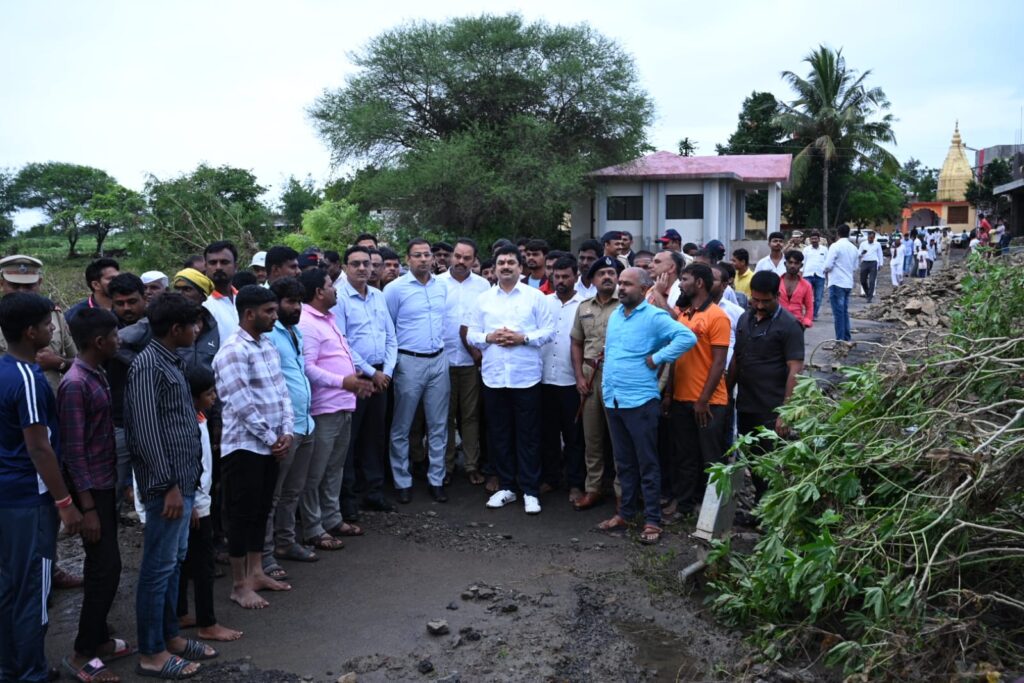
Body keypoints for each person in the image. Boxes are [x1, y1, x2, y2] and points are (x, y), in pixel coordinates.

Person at [124, 292, 212, 678]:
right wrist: (167, 486)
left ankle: (170, 636)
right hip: (167, 488)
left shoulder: (171, 360)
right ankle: (151, 652)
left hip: (182, 484)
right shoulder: (148, 366)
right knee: (158, 569)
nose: (197, 330)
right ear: (176, 328)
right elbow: (145, 432)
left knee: (173, 563)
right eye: (192, 325)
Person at [0, 293, 83, 683]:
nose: (53, 329)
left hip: (7, 497)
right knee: (34, 589)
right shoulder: (28, 378)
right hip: (29, 500)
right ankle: (31, 672)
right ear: (31, 332)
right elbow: (38, 446)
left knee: (9, 587)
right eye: (48, 325)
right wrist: (64, 501)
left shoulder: (3, 369)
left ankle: (10, 666)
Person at [596, 268, 696, 544]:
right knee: (623, 462)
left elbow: (687, 338)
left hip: (640, 400)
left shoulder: (654, 316)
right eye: (620, 283)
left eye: (627, 284)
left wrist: (658, 357)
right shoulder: (616, 315)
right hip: (614, 398)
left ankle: (652, 520)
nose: (621, 288)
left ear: (644, 289)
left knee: (647, 463)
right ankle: (625, 514)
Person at [59, 308, 132, 682]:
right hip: (92, 491)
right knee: (105, 568)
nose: (120, 340)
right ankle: (82, 652)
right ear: (99, 341)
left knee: (105, 565)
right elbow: (73, 453)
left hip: (105, 483)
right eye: (115, 336)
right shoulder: (75, 384)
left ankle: (100, 637)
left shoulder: (97, 373)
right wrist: (86, 507)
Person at [213, 285, 295, 610]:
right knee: (241, 515)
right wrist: (271, 438)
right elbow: (242, 404)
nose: (275, 316)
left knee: (261, 510)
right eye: (269, 311)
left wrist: (286, 430)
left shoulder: (267, 345)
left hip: (271, 445)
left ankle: (257, 573)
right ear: (249, 314)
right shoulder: (233, 351)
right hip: (245, 448)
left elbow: (282, 391)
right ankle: (239, 585)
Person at [467, 245, 555, 515]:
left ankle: (530, 490)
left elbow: (549, 331)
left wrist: (522, 338)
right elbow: (471, 333)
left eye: (511, 262)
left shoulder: (535, 297)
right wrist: (489, 337)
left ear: (520, 267)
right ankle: (506, 487)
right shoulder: (483, 299)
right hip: (494, 377)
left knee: (528, 435)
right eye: (501, 262)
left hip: (525, 377)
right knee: (499, 434)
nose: (505, 266)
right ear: (494, 268)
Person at [297, 270, 373, 553]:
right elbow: (308, 368)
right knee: (315, 472)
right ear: (319, 292)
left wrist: (355, 383)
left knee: (335, 468)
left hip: (343, 403)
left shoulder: (328, 319)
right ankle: (313, 528)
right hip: (324, 407)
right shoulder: (307, 322)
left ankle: (332, 518)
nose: (335, 289)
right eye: (330, 285)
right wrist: (343, 381)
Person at [176, 366, 242, 642]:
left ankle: (181, 612)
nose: (214, 397)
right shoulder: (185, 423)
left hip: (201, 497)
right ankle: (207, 622)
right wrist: (191, 502)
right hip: (194, 502)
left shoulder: (200, 418)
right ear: (193, 397)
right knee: (201, 563)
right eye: (208, 393)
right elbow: (187, 464)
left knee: (187, 560)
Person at [727, 271, 804, 502]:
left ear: (777, 296)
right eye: (755, 300)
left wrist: (785, 412)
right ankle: (761, 504)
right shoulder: (745, 319)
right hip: (746, 403)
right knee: (752, 458)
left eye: (765, 301)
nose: (759, 306)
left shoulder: (789, 325)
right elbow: (737, 358)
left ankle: (769, 506)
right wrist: (726, 392)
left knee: (770, 461)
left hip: (771, 407)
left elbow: (795, 369)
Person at [332, 246, 398, 513]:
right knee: (350, 438)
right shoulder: (339, 298)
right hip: (356, 376)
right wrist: (372, 372)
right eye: (355, 263)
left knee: (375, 435)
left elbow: (391, 337)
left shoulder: (378, 296)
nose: (362, 268)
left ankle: (374, 491)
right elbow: (343, 342)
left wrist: (387, 372)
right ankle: (348, 498)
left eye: (366, 263)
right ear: (345, 267)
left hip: (382, 375)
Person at [384, 239, 450, 504]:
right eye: (417, 255)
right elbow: (388, 329)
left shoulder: (442, 286)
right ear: (407, 259)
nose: (423, 259)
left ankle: (437, 479)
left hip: (439, 360)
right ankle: (402, 480)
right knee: (402, 425)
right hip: (409, 361)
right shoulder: (394, 289)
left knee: (438, 425)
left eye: (427, 255)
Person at [664, 263, 730, 517]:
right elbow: (675, 358)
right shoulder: (684, 315)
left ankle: (714, 514)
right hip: (681, 398)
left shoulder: (717, 316)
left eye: (684, 279)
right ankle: (684, 506)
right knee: (684, 456)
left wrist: (703, 400)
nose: (680, 284)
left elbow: (719, 362)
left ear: (699, 283)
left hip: (709, 402)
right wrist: (669, 393)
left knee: (711, 458)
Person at [265, 278, 318, 565]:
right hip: (283, 427)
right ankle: (265, 554)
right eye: (290, 302)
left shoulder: (294, 331)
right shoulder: (269, 335)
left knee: (293, 491)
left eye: (299, 302)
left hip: (305, 422)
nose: (296, 307)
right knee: (272, 495)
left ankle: (286, 542)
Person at [569, 256, 623, 511]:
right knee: (592, 438)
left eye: (611, 273)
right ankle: (593, 489)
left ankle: (622, 493)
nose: (607, 277)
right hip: (591, 375)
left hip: (617, 375)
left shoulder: (627, 305)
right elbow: (576, 343)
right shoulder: (583, 307)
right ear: (592, 279)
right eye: (602, 273)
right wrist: (579, 377)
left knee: (619, 438)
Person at [437, 239, 490, 486]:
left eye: (466, 258)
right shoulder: (436, 283)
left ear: (474, 260)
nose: (460, 261)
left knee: (470, 416)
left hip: (471, 361)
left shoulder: (483, 286)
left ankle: (471, 465)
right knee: (444, 417)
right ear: (451, 256)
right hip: (442, 361)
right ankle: (445, 466)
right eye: (457, 256)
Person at [540, 255, 586, 502]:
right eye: (557, 276)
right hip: (544, 378)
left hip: (571, 379)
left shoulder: (584, 304)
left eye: (566, 276)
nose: (561, 281)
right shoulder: (543, 302)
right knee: (548, 433)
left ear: (575, 277)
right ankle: (551, 478)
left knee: (574, 436)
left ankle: (575, 483)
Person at [0, 255, 78, 397]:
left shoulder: (54, 316)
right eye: (15, 286)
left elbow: (79, 362)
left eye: (29, 286)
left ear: (39, 283)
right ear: (2, 284)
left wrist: (59, 363)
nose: (22, 292)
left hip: (52, 403)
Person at [823, 224, 859, 342]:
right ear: (848, 234)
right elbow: (855, 267)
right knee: (844, 312)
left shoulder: (835, 246)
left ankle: (840, 340)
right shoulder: (854, 248)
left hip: (837, 282)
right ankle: (846, 338)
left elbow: (828, 265)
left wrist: (824, 270)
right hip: (848, 282)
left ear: (838, 233)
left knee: (838, 314)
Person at [203, 241, 240, 344]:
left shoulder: (245, 300)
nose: (218, 267)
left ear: (236, 267)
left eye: (224, 262)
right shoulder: (203, 303)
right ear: (205, 267)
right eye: (213, 263)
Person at [65, 257, 120, 323]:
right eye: (112, 278)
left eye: (119, 277)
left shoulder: (127, 309)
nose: (119, 281)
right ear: (95, 285)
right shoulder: (75, 315)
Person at [779, 251, 814, 328]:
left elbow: (809, 307)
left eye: (796, 263)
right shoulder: (776, 281)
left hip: (797, 323)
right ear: (785, 264)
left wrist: (806, 322)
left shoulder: (806, 285)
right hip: (777, 322)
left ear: (801, 265)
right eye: (790, 262)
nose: (793, 266)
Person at [801, 231, 828, 320]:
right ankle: (808, 313)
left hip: (820, 276)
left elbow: (827, 263)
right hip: (807, 275)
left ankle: (814, 315)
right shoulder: (806, 249)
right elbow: (802, 262)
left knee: (818, 297)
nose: (814, 240)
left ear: (819, 239)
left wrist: (827, 276)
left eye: (815, 239)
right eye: (812, 239)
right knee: (807, 297)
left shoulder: (824, 249)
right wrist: (801, 274)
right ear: (810, 240)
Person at [857, 231, 884, 303]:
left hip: (873, 263)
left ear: (874, 238)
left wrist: (881, 264)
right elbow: (858, 254)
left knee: (872, 281)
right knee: (863, 281)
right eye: (869, 237)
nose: (870, 239)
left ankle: (870, 297)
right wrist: (862, 253)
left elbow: (880, 254)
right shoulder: (863, 244)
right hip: (864, 262)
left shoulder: (877, 244)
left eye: (871, 238)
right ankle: (867, 293)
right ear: (867, 237)